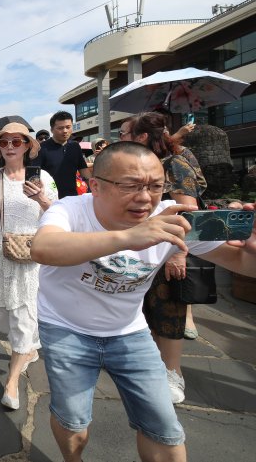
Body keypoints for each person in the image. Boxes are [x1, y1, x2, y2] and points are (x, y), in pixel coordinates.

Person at [30, 140, 256, 462]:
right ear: (95, 185)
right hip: (65, 328)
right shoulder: (68, 209)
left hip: (129, 332)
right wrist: (130, 236)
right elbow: (44, 248)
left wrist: (251, 252)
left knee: (164, 428)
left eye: (155, 186)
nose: (145, 198)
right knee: (74, 424)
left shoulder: (170, 217)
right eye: (131, 186)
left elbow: (242, 264)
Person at [120, 112, 208, 402]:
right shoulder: (137, 167)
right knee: (144, 313)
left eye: (126, 134)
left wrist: (179, 253)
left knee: (168, 310)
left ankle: (173, 373)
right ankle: (150, 368)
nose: (122, 139)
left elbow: (189, 211)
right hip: (140, 249)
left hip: (168, 250)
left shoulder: (175, 165)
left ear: (142, 137)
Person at [0, 123, 56, 410]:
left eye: (16, 142)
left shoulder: (43, 177)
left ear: (28, 146)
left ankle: (11, 380)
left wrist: (41, 198)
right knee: (0, 316)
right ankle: (28, 347)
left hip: (28, 257)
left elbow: (58, 214)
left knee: (23, 313)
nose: (9, 146)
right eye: (4, 142)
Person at [33, 111, 91, 198]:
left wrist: (92, 188)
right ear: (52, 129)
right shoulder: (41, 149)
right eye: (60, 128)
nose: (65, 131)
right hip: (49, 198)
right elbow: (35, 175)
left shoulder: (75, 146)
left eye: (68, 127)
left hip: (72, 197)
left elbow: (83, 170)